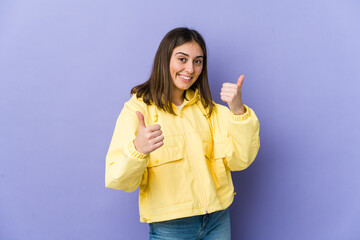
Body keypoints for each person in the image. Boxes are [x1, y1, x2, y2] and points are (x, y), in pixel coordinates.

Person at [105, 27, 260, 240]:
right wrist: (138, 150)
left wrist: (238, 111)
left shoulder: (210, 111)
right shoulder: (138, 111)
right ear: (165, 59)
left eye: (198, 61)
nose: (190, 69)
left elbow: (241, 161)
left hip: (217, 219)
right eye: (182, 59)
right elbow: (117, 179)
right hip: (170, 226)